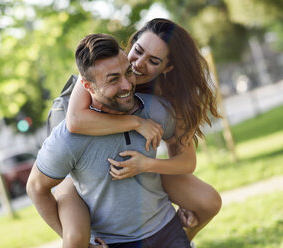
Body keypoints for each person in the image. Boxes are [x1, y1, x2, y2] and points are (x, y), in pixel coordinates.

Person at [61, 18, 222, 244]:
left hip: (136, 162)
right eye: (138, 51)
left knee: (208, 201)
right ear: (132, 42)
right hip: (82, 169)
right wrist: (136, 123)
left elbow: (186, 162)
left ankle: (180, 239)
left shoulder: (171, 98)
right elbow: (76, 121)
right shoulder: (102, 63)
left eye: (153, 61)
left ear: (168, 67)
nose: (138, 64)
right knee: (74, 238)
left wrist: (145, 164)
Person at [27, 33, 191, 248]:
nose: (126, 85)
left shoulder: (157, 110)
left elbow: (182, 156)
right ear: (88, 86)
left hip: (167, 230)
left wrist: (187, 201)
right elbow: (36, 187)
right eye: (113, 79)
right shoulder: (68, 138)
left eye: (128, 73)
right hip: (114, 243)